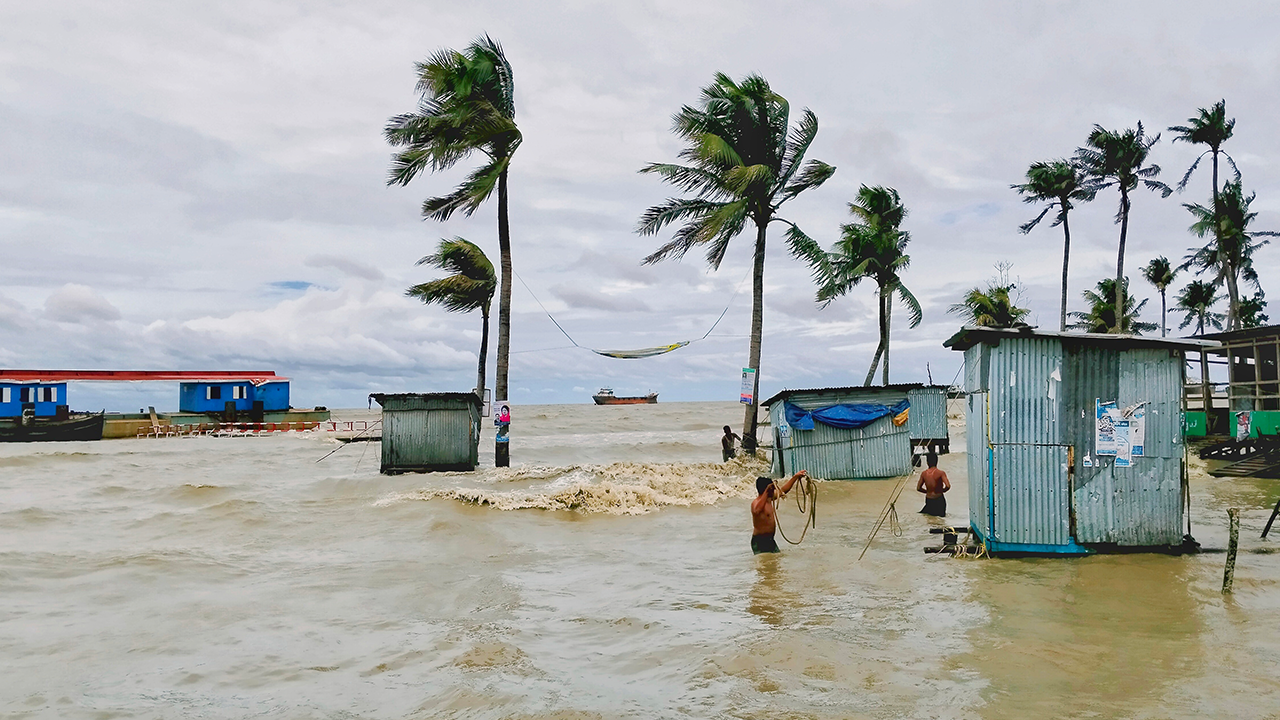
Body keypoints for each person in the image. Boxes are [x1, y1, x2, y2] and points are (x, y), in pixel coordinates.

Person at [750, 470, 808, 553]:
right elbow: (756, 511)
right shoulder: (756, 503)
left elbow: (784, 490)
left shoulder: (769, 499)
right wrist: (767, 491)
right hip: (759, 541)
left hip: (770, 540)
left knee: (775, 562)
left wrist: (795, 477)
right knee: (764, 564)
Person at [916, 452, 950, 517]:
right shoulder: (941, 473)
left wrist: (927, 491)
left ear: (927, 462)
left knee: (931, 520)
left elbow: (918, 488)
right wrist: (942, 490)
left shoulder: (924, 473)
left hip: (929, 500)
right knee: (940, 521)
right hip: (939, 499)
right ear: (937, 461)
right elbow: (948, 486)